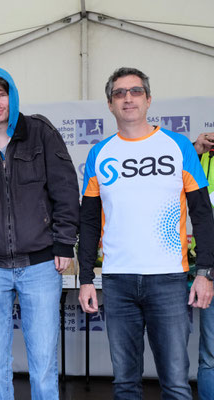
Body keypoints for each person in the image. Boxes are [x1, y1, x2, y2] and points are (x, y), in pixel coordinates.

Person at [78, 67, 214, 399]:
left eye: (136, 91)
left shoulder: (178, 146)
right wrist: (84, 278)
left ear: (149, 99)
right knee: (125, 384)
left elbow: (202, 214)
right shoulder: (99, 154)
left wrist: (206, 272)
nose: (128, 98)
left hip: (168, 279)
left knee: (176, 384)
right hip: (117, 280)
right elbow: (89, 222)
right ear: (109, 104)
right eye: (119, 93)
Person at [0, 67, 80, 399]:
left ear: (13, 95)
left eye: (1, 94)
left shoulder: (41, 133)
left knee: (44, 363)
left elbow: (65, 191)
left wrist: (64, 243)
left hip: (40, 265)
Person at [192, 132, 214, 400]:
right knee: (210, 355)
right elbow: (177, 176)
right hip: (212, 270)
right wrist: (197, 151)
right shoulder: (205, 160)